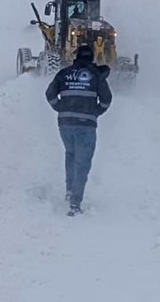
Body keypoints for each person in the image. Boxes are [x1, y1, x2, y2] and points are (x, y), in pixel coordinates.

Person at [45, 44, 112, 216]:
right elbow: (106, 99)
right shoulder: (96, 76)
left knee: (70, 154)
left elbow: (49, 94)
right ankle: (75, 203)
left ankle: (69, 190)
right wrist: (95, 112)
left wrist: (60, 108)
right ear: (91, 58)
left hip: (65, 124)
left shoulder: (64, 73)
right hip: (86, 125)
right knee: (82, 164)